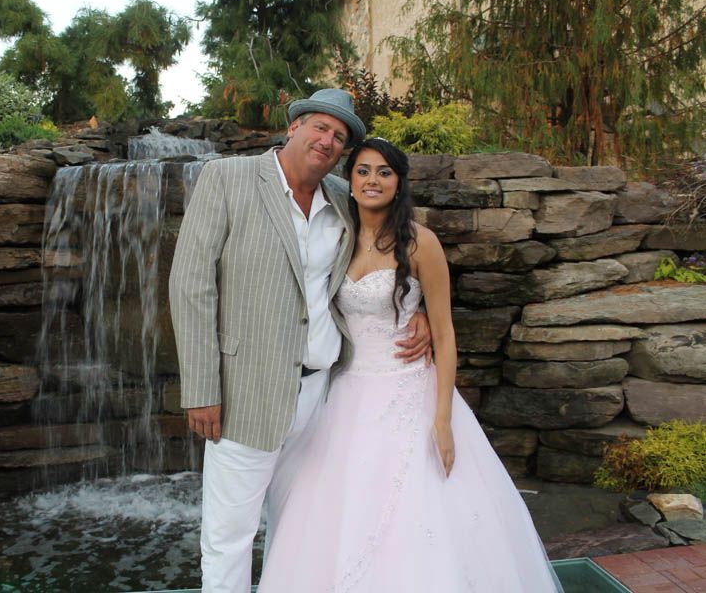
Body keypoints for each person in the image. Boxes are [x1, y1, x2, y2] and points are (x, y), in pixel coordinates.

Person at [257, 138, 564, 592]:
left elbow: (444, 333)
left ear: (399, 183)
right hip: (346, 394)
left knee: (419, 513)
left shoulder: (421, 243)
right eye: (363, 171)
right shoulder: (336, 235)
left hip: (408, 392)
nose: (372, 180)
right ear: (350, 180)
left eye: (384, 172)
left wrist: (442, 419)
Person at [168, 91, 432, 593]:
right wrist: (201, 388)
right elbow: (190, 284)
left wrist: (413, 307)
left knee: (300, 533)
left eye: (339, 137)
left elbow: (401, 240)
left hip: (326, 397)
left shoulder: (342, 196)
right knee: (230, 537)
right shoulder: (227, 179)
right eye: (320, 128)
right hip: (246, 393)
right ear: (294, 127)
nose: (328, 141)